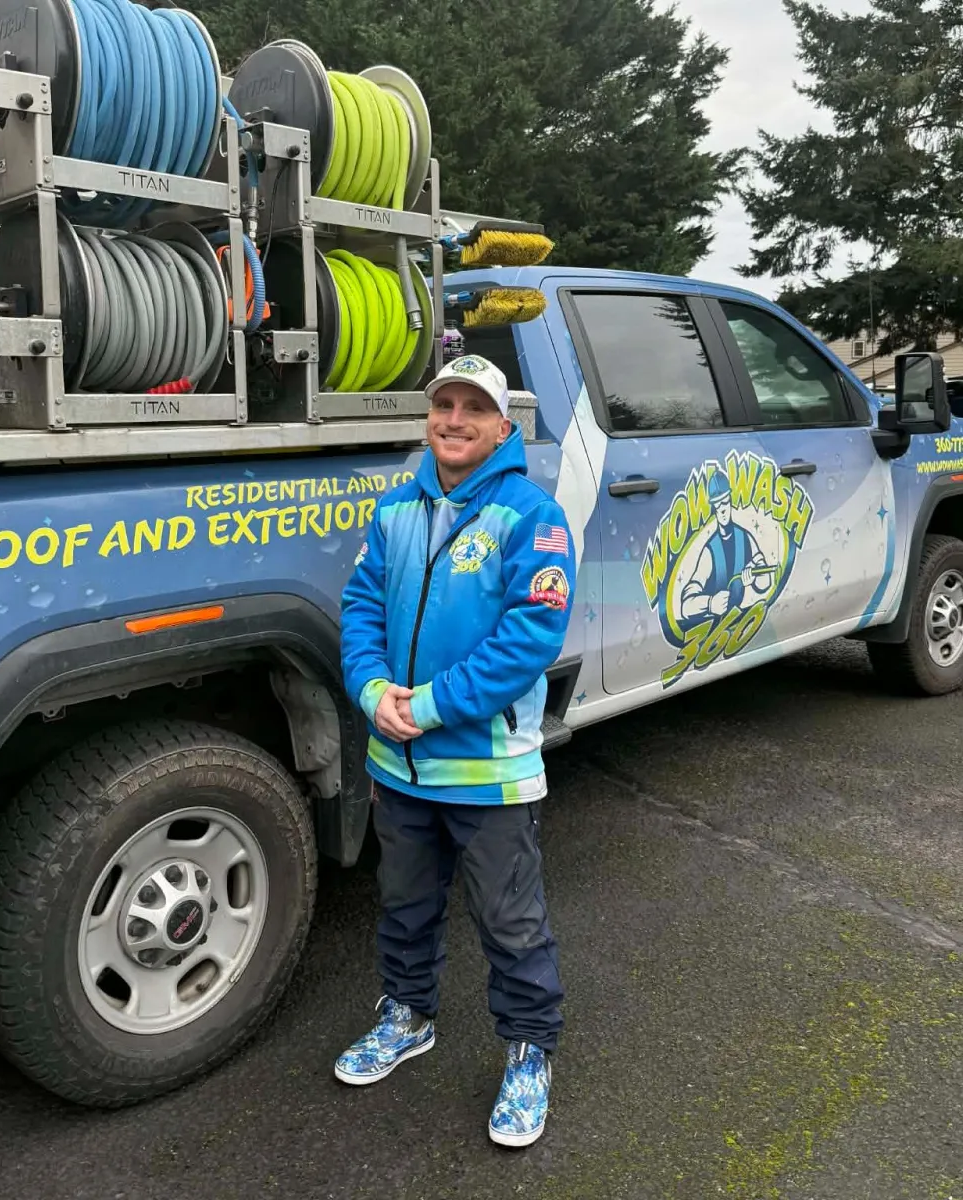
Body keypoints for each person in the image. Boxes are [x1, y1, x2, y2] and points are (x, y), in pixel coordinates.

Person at [336, 353, 577, 1148]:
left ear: (503, 427)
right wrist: (372, 694)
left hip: (488, 772)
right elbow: (362, 607)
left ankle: (530, 1049)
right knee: (404, 907)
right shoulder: (396, 510)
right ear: (429, 417)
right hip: (397, 765)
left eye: (475, 408)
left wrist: (430, 707)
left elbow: (528, 640)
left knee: (510, 923)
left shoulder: (532, 517)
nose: (455, 421)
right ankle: (408, 1017)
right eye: (445, 405)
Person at [678, 469, 775, 624]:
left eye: (725, 502)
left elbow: (766, 582)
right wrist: (709, 604)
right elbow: (685, 606)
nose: (722, 509)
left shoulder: (745, 537)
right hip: (713, 629)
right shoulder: (710, 551)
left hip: (740, 622)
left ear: (730, 501)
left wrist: (755, 576)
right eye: (717, 506)